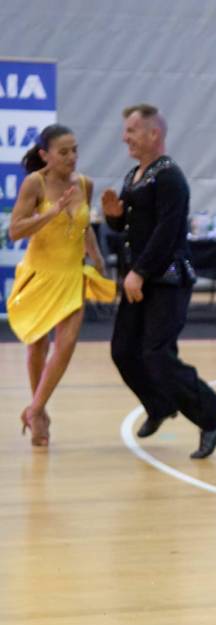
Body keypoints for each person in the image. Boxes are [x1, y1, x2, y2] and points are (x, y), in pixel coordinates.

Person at [101, 104, 216, 459]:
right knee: (123, 350)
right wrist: (114, 218)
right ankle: (159, 405)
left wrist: (139, 272)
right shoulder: (134, 176)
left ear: (152, 134)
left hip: (165, 280)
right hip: (137, 279)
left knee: (157, 354)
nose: (125, 137)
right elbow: (132, 228)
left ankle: (210, 421)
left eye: (131, 130)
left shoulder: (170, 177)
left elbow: (166, 232)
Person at [6, 124, 116, 447]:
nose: (72, 157)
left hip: (71, 276)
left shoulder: (85, 184)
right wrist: (52, 211)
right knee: (37, 347)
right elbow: (15, 231)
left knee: (65, 346)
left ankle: (35, 409)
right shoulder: (34, 183)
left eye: (75, 150)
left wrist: (96, 257)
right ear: (45, 155)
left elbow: (84, 228)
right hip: (39, 275)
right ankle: (39, 410)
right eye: (63, 152)